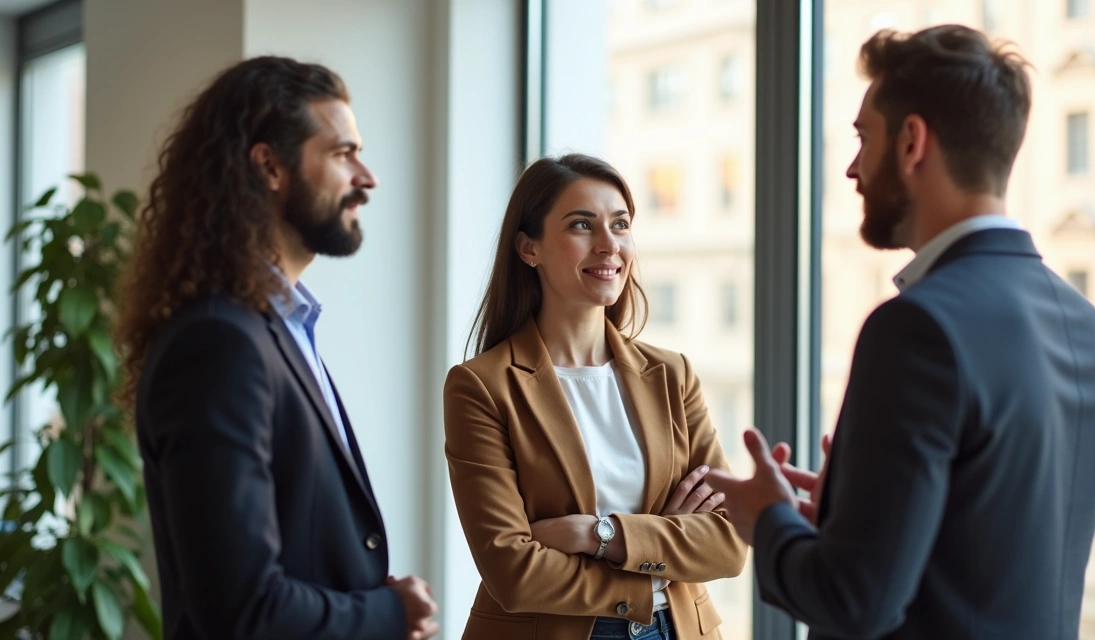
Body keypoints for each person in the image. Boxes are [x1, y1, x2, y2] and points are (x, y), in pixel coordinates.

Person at [706, 25, 1095, 640]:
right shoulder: (1091, 330)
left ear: (912, 142)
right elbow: (1000, 559)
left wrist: (767, 518)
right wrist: (858, 518)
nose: (851, 168)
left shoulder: (915, 330)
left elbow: (856, 603)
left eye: (862, 137)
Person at [114, 56, 439, 640]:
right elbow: (241, 608)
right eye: (343, 154)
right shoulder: (217, 344)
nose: (368, 177)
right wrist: (390, 614)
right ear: (269, 165)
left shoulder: (279, 328)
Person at [443, 154, 747, 640]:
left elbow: (729, 544)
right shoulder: (482, 386)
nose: (609, 245)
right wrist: (659, 561)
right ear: (529, 248)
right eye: (582, 225)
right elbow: (513, 572)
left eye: (621, 224)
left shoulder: (672, 375)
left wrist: (600, 534)